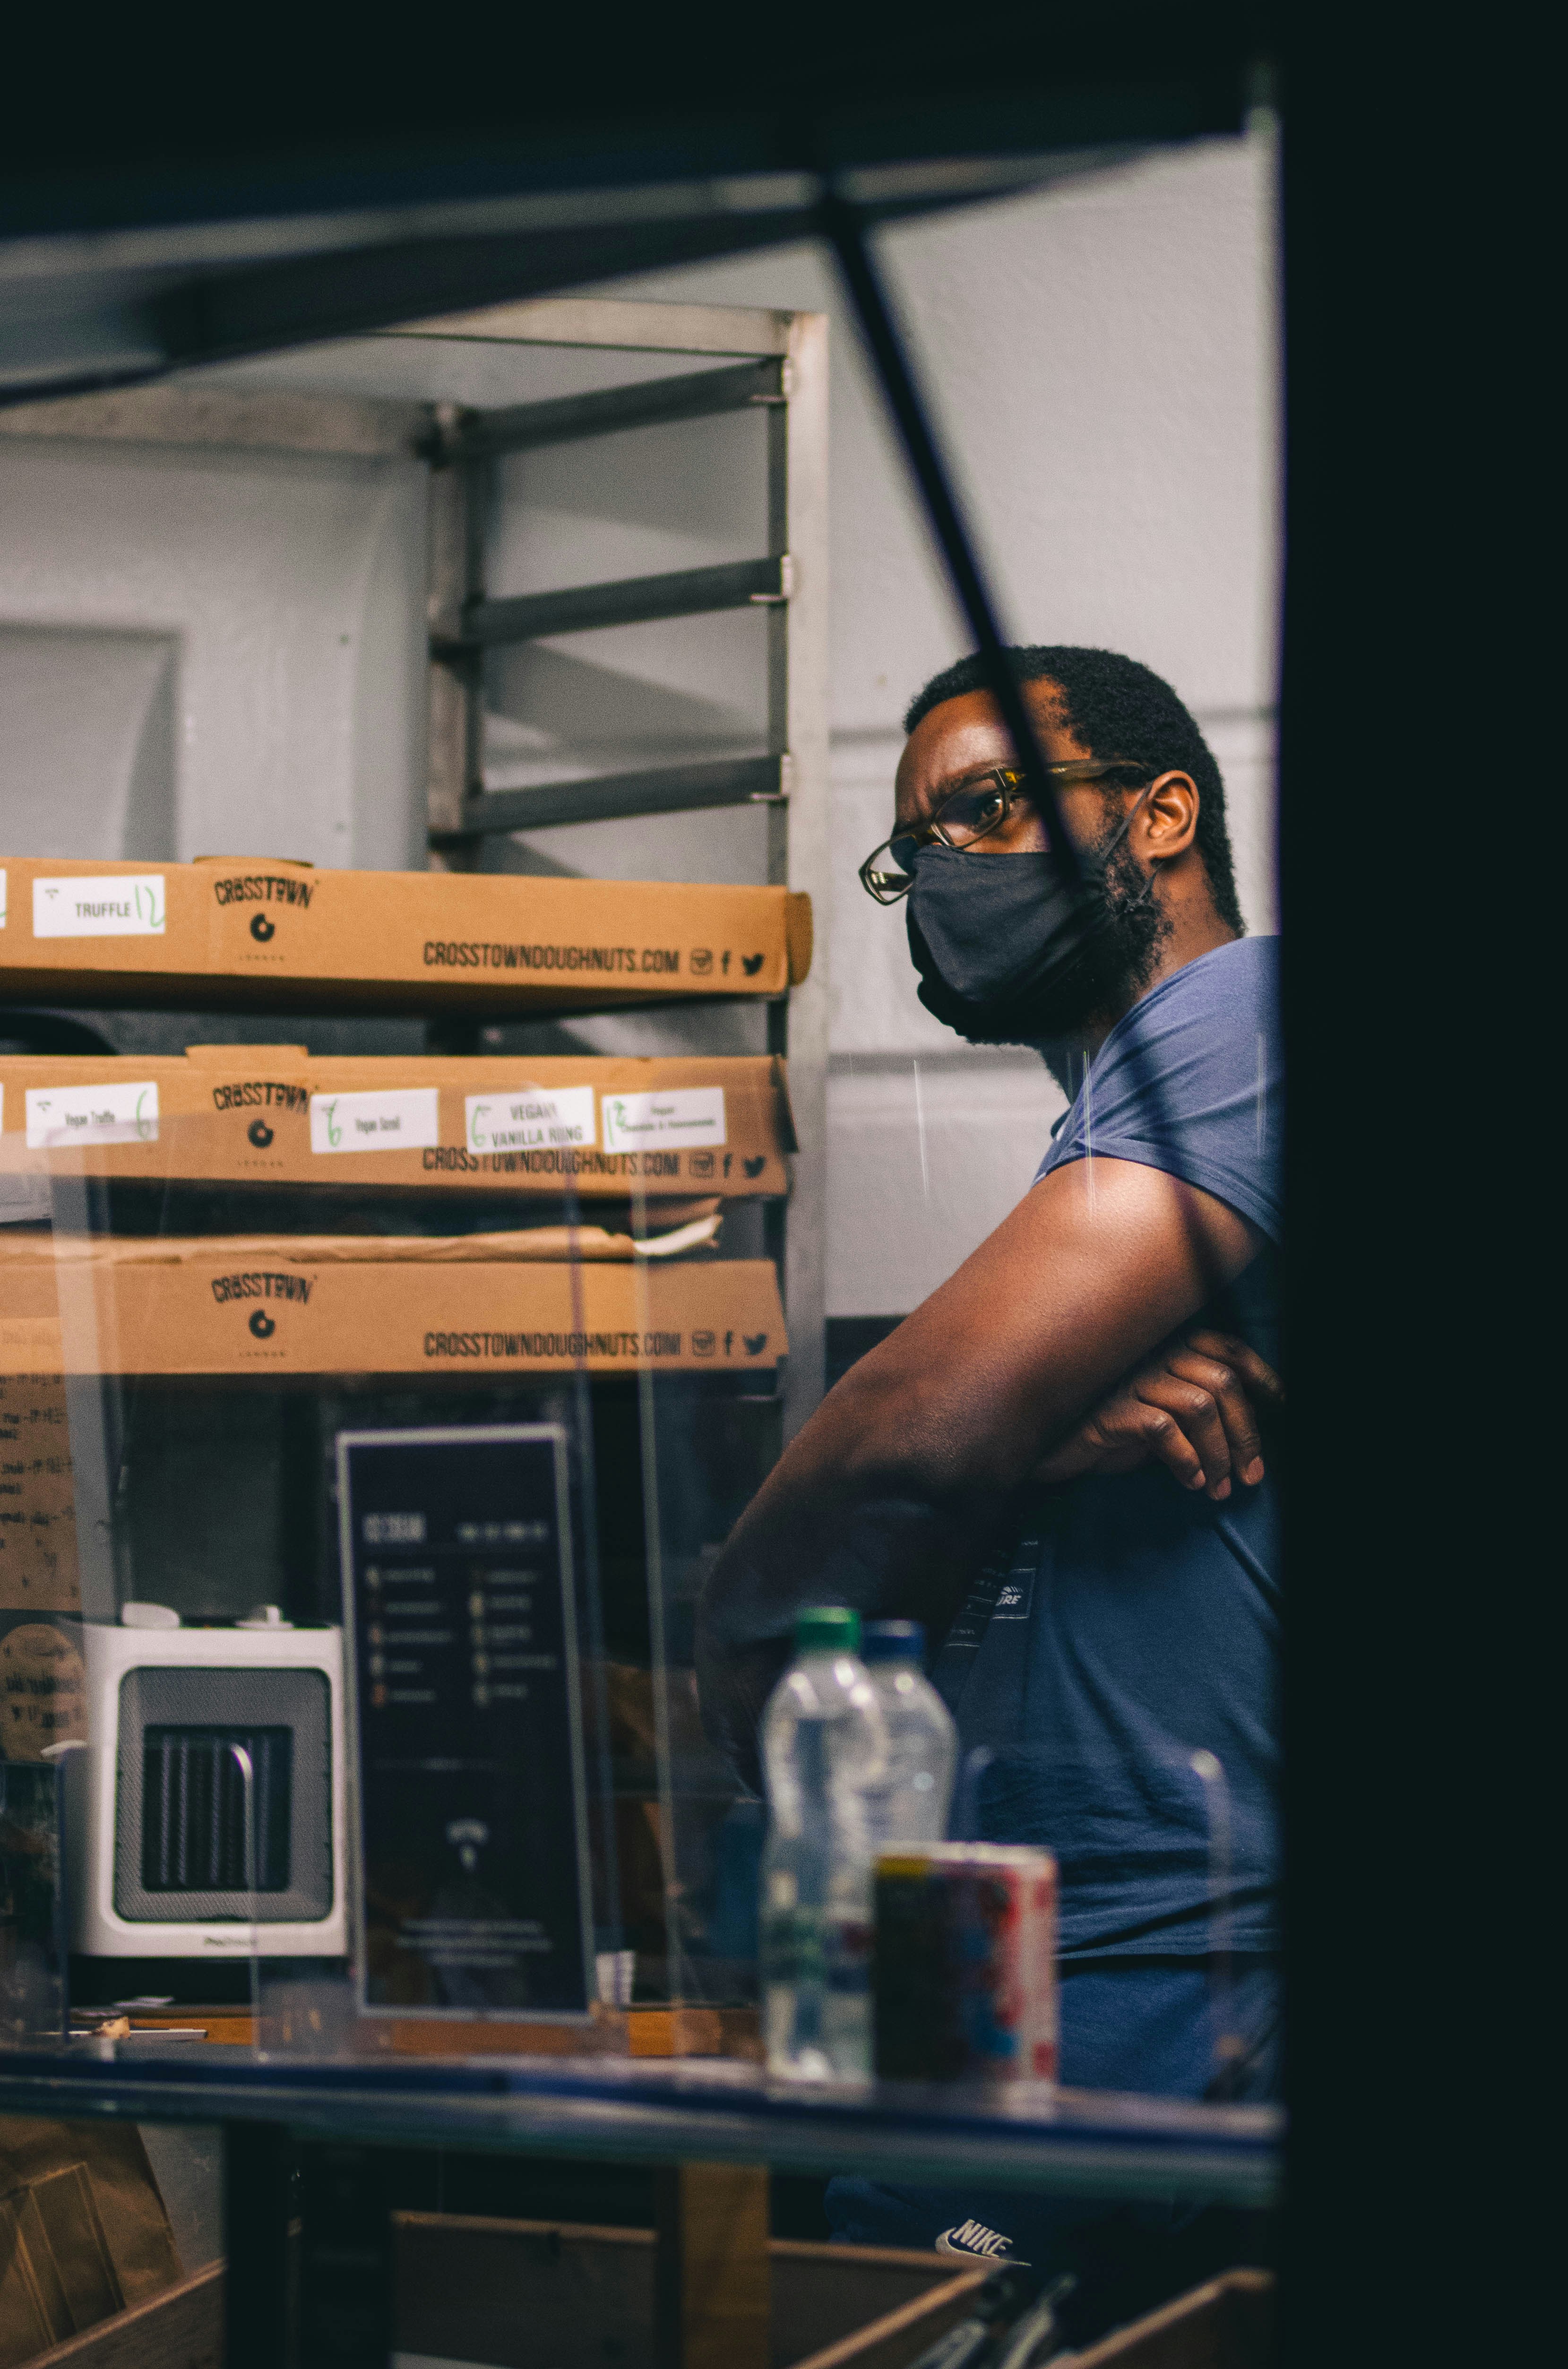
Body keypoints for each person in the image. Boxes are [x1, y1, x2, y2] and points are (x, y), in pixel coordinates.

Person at [695, 645, 1282, 2338]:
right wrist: (1045, 1439)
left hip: (1174, 1962)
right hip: (995, 1948)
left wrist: (744, 1614)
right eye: (917, 847)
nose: (947, 869)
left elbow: (906, 1443)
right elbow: (959, 1465)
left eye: (995, 806)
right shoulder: (1106, 1138)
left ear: (1164, 813)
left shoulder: (1243, 1022)